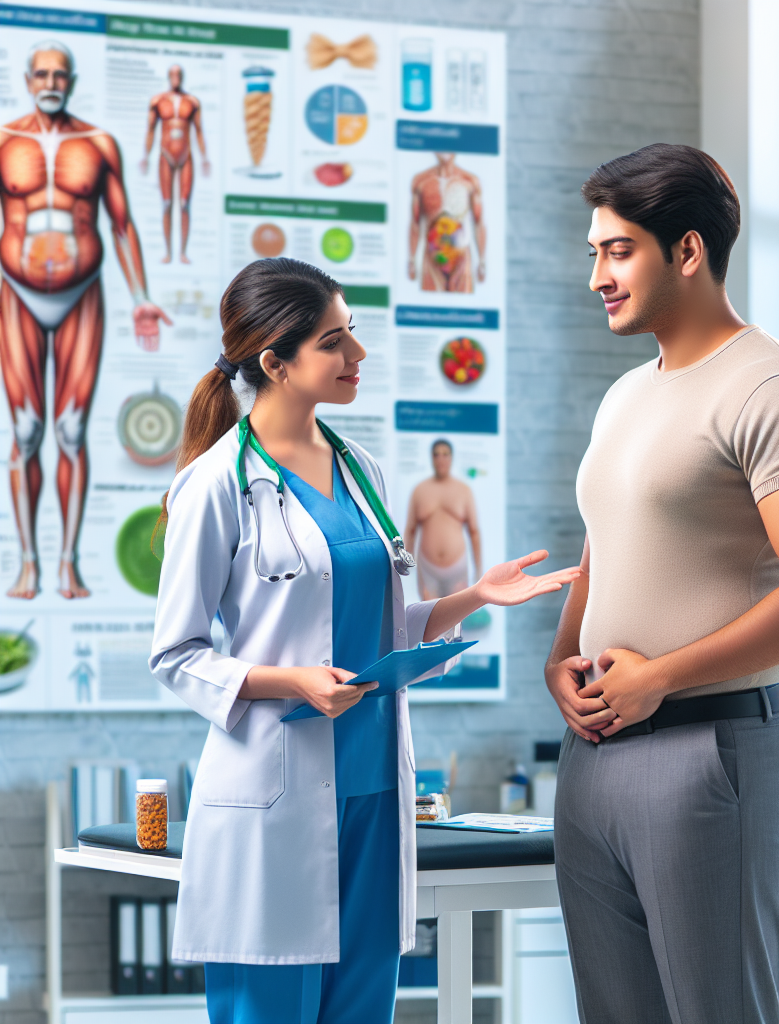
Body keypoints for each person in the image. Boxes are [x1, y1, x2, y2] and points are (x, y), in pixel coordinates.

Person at [150, 258, 579, 1024]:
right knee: (271, 1009)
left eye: (354, 333)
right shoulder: (216, 484)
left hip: (377, 790)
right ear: (275, 363)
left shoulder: (362, 468)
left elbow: (381, 630)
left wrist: (474, 597)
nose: (358, 355)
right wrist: (296, 682)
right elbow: (178, 656)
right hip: (275, 792)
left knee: (363, 1006)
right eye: (333, 341)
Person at [544, 144, 779, 1024]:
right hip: (598, 756)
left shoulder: (771, 389)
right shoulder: (627, 395)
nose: (598, 277)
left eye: (619, 251)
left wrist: (661, 677)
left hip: (710, 751)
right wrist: (560, 658)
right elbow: (608, 541)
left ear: (687, 251)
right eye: (594, 254)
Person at [0, 40, 170, 599]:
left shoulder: (97, 143)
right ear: (28, 79)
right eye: (41, 72)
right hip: (18, 292)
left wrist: (141, 294)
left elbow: (121, 225)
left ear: (70, 81)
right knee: (26, 432)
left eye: (60, 73)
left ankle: (67, 563)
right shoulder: (4, 142)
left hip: (82, 294)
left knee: (70, 431)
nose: (50, 80)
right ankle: (29, 562)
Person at [141, 64, 211, 264]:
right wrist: (145, 155)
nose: (176, 77)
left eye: (179, 74)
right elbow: (151, 130)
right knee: (166, 203)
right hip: (166, 154)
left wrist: (205, 157)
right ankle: (168, 252)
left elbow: (199, 130)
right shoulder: (158, 101)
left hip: (185, 154)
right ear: (168, 76)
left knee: (184, 203)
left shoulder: (192, 101)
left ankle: (182, 252)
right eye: (173, 74)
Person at [404, 438, 481, 599]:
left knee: (455, 619)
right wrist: (404, 566)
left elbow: (474, 531)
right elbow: (410, 530)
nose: (441, 459)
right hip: (428, 568)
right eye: (436, 454)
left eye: (445, 454)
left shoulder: (463, 491)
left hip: (457, 567)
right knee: (430, 619)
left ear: (451, 458)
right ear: (431, 458)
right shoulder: (419, 490)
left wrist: (478, 568)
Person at [407, 152, 486, 292]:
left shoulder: (470, 181)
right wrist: (412, 259)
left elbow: (478, 222)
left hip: (461, 258)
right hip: (432, 258)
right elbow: (415, 224)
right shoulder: (420, 182)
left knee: (463, 306)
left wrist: (482, 260)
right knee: (430, 306)